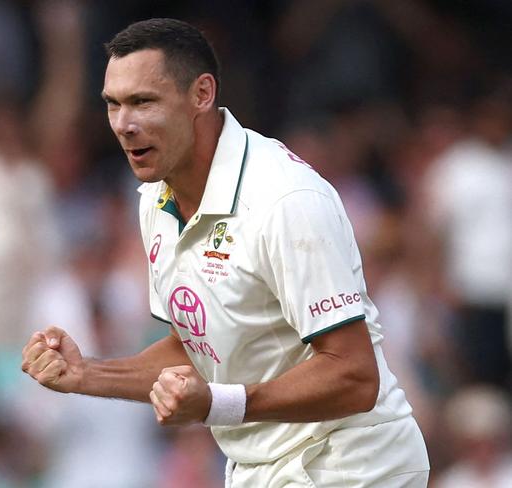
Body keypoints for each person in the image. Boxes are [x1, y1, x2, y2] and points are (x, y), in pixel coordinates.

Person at [21, 18, 430, 487]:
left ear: (202, 94)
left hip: (351, 465)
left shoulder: (285, 200)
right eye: (113, 105)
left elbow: (356, 376)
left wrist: (218, 404)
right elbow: (200, 347)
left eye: (143, 102)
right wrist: (85, 374)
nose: (124, 125)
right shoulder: (155, 199)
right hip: (262, 468)